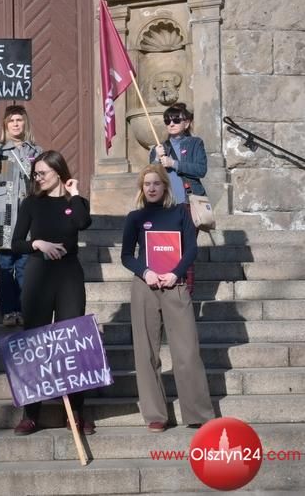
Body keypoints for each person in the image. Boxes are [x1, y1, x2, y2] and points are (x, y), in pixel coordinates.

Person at [121, 164, 215, 433]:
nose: (151, 188)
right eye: (146, 184)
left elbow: (191, 249)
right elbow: (127, 256)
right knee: (146, 351)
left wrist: (175, 274)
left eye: (156, 183)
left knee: (186, 350)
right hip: (145, 286)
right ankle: (156, 415)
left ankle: (197, 412)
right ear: (142, 188)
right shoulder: (135, 218)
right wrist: (146, 272)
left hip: (176, 285)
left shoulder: (180, 214)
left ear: (165, 186)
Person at [10, 150, 95, 436]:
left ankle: (75, 412)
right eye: (36, 174)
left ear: (58, 172)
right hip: (39, 274)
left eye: (43, 173)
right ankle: (30, 413)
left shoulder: (76, 202)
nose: (38, 178)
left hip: (69, 274)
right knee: (34, 341)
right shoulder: (31, 203)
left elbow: (83, 223)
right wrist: (39, 244)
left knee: (72, 342)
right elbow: (16, 242)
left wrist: (74, 194)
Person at [0, 105, 42, 327]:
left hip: (26, 215)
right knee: (5, 265)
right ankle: (8, 311)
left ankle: (24, 310)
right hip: (1, 213)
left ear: (25, 123)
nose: (16, 124)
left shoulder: (35, 151)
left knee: (25, 266)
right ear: (5, 125)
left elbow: (41, 181)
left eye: (19, 120)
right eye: (11, 120)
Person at [149, 102, 207, 295]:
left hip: (188, 203)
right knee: (168, 249)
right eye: (167, 120)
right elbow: (150, 177)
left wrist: (174, 163)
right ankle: (168, 292)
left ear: (187, 122)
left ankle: (186, 294)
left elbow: (200, 169)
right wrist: (157, 159)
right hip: (166, 206)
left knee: (187, 249)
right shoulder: (159, 147)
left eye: (176, 119)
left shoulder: (194, 143)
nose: (171, 123)